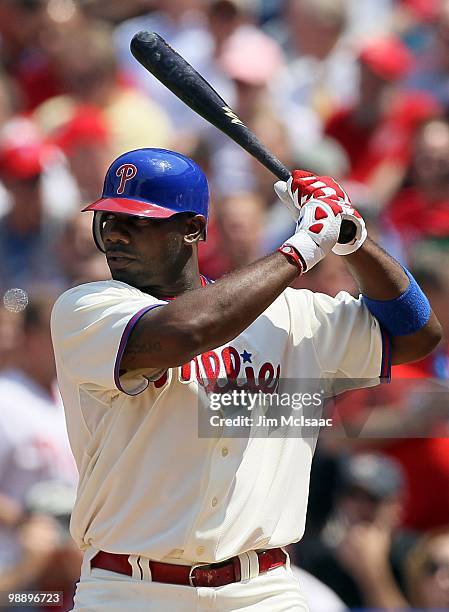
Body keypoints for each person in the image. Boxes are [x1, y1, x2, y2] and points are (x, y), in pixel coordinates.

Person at [50, 147, 441, 611]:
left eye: (138, 222)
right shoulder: (86, 309)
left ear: (192, 229)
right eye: (109, 221)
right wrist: (301, 249)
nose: (117, 236)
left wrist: (352, 238)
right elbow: (189, 329)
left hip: (262, 590)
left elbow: (417, 333)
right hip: (129, 588)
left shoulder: (291, 316)